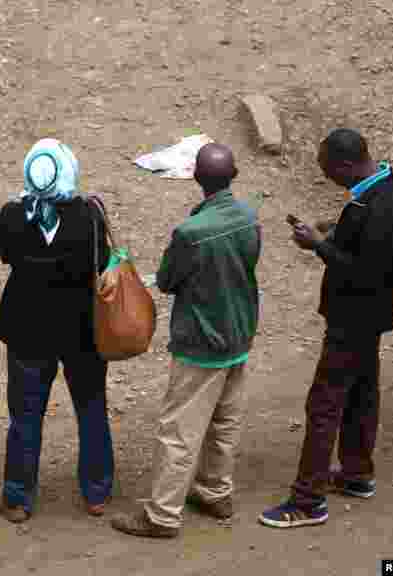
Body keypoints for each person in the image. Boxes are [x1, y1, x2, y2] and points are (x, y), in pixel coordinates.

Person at [260, 129, 393, 528]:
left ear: (346, 165)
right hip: (371, 318)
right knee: (361, 393)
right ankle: (356, 473)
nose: (326, 176)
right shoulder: (387, 188)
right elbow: (370, 243)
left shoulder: (379, 206)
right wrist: (338, 227)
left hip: (353, 320)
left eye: (328, 170)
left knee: (324, 404)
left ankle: (307, 500)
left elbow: (365, 272)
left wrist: (319, 245)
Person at [111, 143, 261, 539]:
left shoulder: (190, 232)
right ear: (234, 175)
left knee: (179, 431)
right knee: (224, 421)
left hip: (201, 342)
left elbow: (166, 280)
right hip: (238, 335)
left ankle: (162, 514)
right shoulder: (249, 218)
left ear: (196, 176)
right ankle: (215, 491)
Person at [0, 138, 113, 523]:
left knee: (25, 416)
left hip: (27, 331)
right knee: (91, 409)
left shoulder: (12, 216)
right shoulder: (90, 215)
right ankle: (96, 492)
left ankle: (18, 497)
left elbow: (5, 255)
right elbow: (103, 261)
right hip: (82, 332)